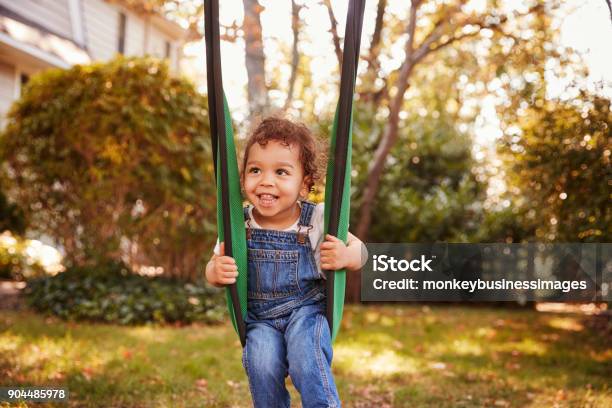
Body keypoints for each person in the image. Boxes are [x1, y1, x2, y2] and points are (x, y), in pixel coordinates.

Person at [205, 116, 365, 408]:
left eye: (281, 172)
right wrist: (215, 271)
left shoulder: (316, 218)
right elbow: (213, 265)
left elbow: (361, 250)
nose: (266, 180)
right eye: (255, 170)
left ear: (304, 185)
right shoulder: (237, 224)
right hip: (260, 320)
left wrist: (347, 255)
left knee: (307, 358)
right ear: (242, 180)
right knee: (260, 363)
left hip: (306, 311)